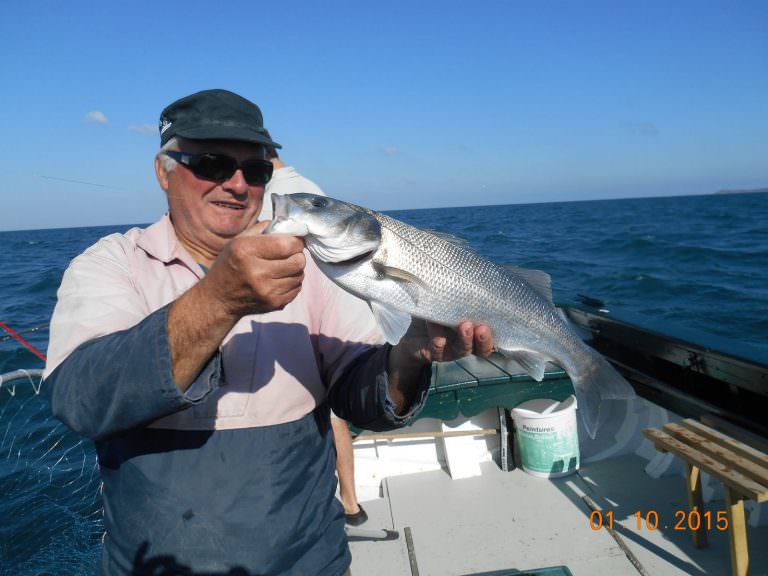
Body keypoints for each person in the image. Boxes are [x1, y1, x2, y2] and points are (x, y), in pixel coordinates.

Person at [44, 88, 493, 576]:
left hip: (311, 562)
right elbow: (82, 399)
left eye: (255, 171)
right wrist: (218, 300)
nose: (237, 185)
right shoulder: (111, 265)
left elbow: (361, 396)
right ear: (163, 171)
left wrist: (411, 352)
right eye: (212, 163)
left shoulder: (316, 265)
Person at [259, 139, 368, 526]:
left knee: (326, 416)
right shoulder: (310, 188)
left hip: (292, 322)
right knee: (336, 414)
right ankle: (351, 503)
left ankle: (332, 506)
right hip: (326, 321)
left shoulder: (282, 197)